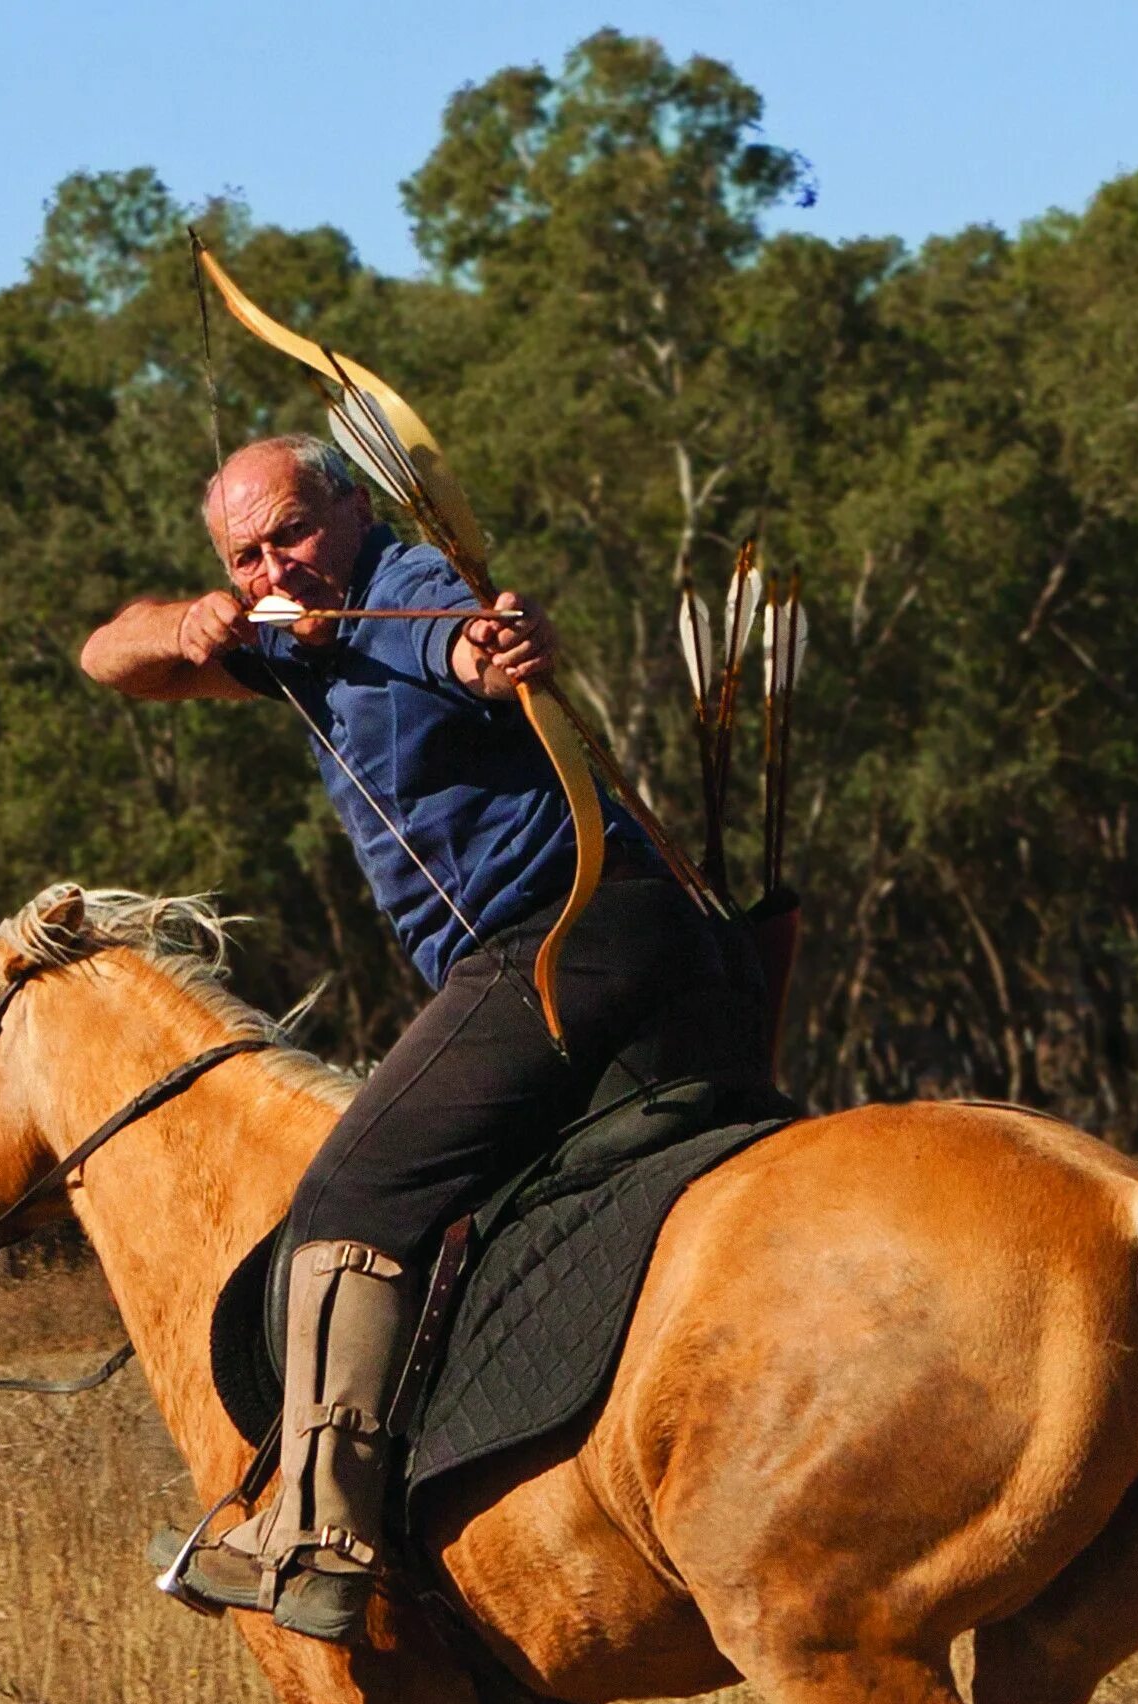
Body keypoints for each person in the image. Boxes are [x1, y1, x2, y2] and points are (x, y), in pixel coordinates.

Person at [80, 433, 748, 1640]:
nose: (276, 561)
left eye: (292, 530)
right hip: (620, 945)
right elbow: (104, 653)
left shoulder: (408, 589)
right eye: (247, 552)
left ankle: (321, 1536)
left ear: (349, 510)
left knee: (352, 1186)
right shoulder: (291, 638)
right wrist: (191, 620)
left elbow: (464, 643)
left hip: (560, 939)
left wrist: (495, 651)